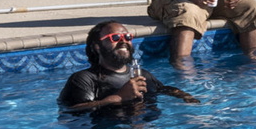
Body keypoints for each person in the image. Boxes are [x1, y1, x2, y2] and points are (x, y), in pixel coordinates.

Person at [57, 21, 196, 113]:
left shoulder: (142, 75)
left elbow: (161, 89)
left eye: (127, 37)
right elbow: (71, 110)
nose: (123, 41)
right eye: (115, 38)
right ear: (97, 47)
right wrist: (118, 97)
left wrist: (184, 96)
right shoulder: (84, 79)